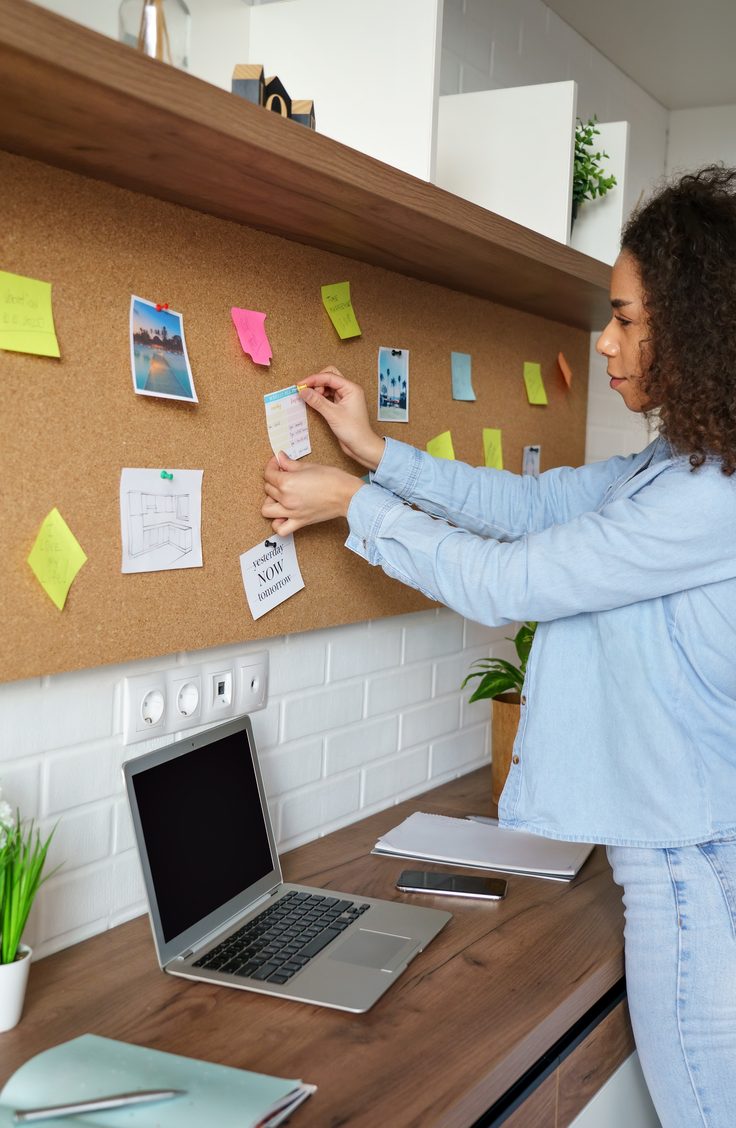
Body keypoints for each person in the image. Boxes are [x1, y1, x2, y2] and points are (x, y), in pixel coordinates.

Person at [262, 166, 736, 1127]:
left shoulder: (710, 498)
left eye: (626, 318)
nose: (604, 341)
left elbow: (507, 582)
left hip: (693, 879)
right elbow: (532, 507)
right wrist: (375, 453)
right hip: (683, 856)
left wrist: (357, 507)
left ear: (695, 327)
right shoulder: (677, 463)